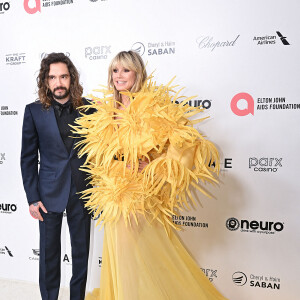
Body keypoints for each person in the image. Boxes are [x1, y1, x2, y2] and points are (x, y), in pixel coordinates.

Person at [73, 51, 228, 300]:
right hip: (112, 187)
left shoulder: (152, 104)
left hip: (137, 188)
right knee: (118, 250)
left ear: (137, 73)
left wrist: (159, 164)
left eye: (125, 70)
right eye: (115, 70)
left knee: (127, 250)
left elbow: (185, 139)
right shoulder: (107, 108)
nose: (119, 76)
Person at [21, 52, 93, 300]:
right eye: (52, 77)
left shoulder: (91, 110)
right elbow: (28, 159)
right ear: (45, 80)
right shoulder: (33, 112)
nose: (58, 82)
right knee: (49, 255)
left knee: (81, 254)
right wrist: (32, 198)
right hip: (48, 193)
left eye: (63, 76)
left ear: (71, 78)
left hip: (82, 191)